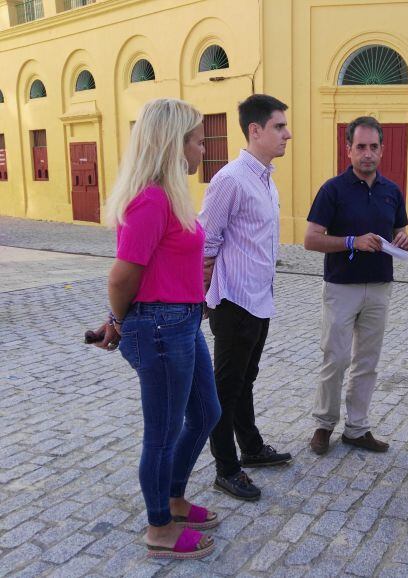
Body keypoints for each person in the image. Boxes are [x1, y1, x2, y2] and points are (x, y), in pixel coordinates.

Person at [94, 98, 222, 559]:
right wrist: (118, 320)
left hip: (183, 320)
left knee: (207, 412)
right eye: (197, 140)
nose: (202, 149)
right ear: (174, 145)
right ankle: (159, 528)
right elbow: (121, 275)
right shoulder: (150, 199)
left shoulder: (170, 196)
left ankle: (173, 496)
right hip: (160, 328)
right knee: (163, 433)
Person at [199, 94, 293, 502]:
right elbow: (206, 244)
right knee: (225, 387)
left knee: (245, 380)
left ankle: (251, 448)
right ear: (255, 131)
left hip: (260, 298)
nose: (287, 133)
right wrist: (205, 298)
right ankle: (226, 468)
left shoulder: (265, 179)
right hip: (234, 301)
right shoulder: (230, 179)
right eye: (278, 126)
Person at [304, 115, 408, 455]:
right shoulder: (332, 190)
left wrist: (403, 238)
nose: (368, 153)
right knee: (335, 358)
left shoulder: (391, 191)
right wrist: (352, 241)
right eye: (360, 147)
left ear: (382, 150)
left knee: (367, 361)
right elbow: (310, 239)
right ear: (348, 149)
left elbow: (398, 231)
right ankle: (323, 424)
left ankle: (357, 428)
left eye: (374, 147)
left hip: (379, 286)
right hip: (341, 287)